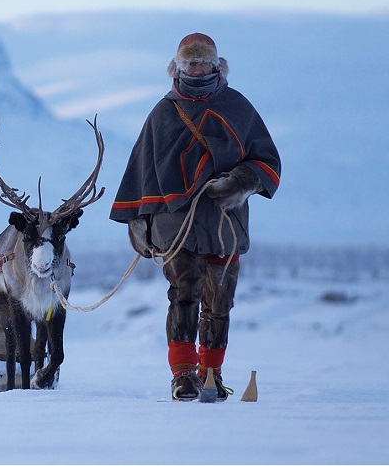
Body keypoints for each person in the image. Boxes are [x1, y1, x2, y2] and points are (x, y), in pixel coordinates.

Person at [109, 32, 281, 401]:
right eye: (191, 63)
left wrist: (240, 182)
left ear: (217, 66)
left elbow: (266, 160)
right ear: (178, 67)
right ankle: (183, 375)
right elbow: (142, 171)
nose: (198, 68)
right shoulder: (163, 113)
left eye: (204, 62)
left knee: (220, 299)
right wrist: (139, 221)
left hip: (223, 221)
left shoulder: (238, 107)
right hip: (175, 222)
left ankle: (211, 373)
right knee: (183, 293)